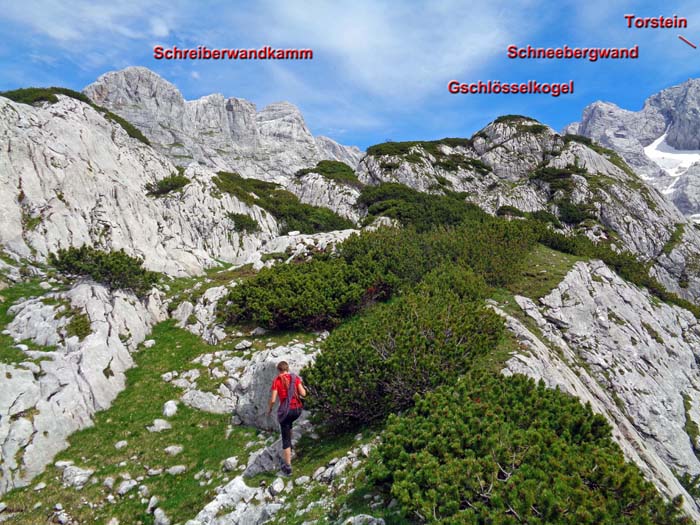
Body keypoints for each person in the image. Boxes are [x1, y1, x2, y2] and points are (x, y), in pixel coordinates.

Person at [267, 360, 306, 475]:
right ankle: (292, 449)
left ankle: (288, 467)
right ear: (287, 369)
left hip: (286, 412)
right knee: (290, 425)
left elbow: (273, 400)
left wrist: (269, 409)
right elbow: (303, 394)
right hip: (297, 410)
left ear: (279, 370)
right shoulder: (295, 378)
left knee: (285, 439)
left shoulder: (277, 381)